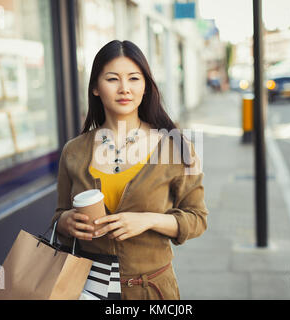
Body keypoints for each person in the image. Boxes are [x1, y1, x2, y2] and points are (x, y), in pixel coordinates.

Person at [52, 40, 208, 300]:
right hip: (87, 289)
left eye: (134, 78)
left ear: (145, 86)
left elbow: (198, 219)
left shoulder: (177, 146)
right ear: (95, 88)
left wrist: (149, 220)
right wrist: (65, 222)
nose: (124, 88)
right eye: (112, 79)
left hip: (152, 291)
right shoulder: (73, 151)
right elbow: (58, 215)